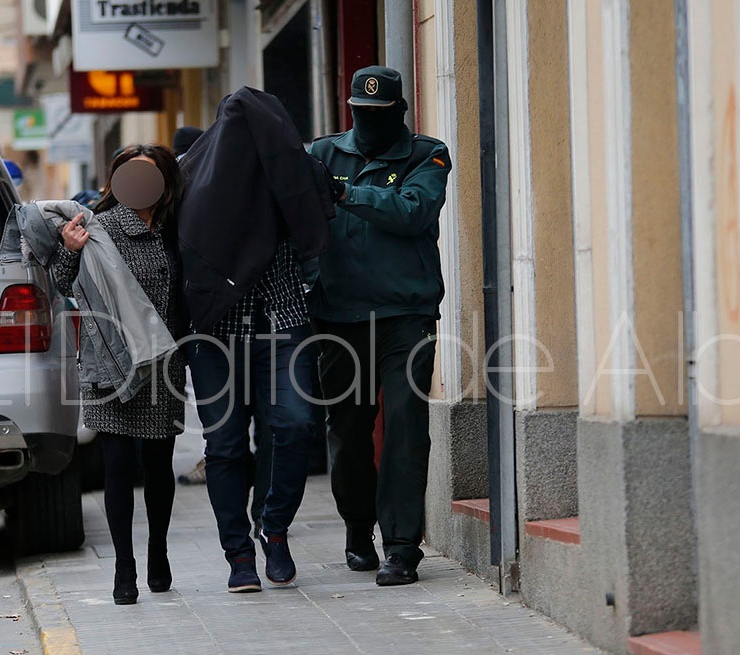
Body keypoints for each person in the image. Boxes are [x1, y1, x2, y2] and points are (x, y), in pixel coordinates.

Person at [179, 86, 335, 593]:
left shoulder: (298, 172)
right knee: (224, 445)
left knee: (294, 425)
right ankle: (238, 553)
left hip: (284, 322)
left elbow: (326, 228)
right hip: (214, 335)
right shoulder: (190, 176)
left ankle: (275, 528)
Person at [306, 66, 453, 586]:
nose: (369, 122)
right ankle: (356, 528)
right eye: (361, 114)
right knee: (347, 432)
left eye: (379, 114)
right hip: (338, 316)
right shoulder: (319, 155)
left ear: (399, 112)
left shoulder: (426, 154)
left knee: (407, 428)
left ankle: (401, 546)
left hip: (405, 315)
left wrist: (346, 195)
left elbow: (414, 211)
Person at [49, 144, 187, 605]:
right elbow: (63, 283)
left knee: (159, 465)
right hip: (108, 360)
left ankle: (158, 553)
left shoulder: (176, 229)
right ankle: (124, 567)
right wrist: (69, 250)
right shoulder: (98, 226)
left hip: (163, 363)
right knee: (117, 465)